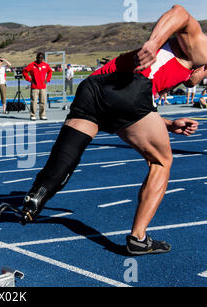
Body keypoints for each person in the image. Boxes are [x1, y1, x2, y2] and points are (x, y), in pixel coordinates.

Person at [16, 5, 205, 255]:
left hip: (94, 88)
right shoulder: (199, 52)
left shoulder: (169, 72)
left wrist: (169, 125)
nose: (201, 79)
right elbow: (180, 12)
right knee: (161, 161)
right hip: (128, 93)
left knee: (65, 158)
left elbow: (137, 113)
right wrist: (152, 42)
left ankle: (34, 199)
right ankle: (138, 238)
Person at [23, 52, 53, 121]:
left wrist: (47, 79)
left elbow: (50, 72)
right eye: (39, 58)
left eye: (41, 58)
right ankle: (32, 115)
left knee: (43, 101)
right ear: (36, 58)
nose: (40, 59)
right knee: (34, 101)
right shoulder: (32, 65)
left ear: (43, 59)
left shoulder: (45, 65)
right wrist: (29, 79)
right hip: (34, 87)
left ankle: (42, 115)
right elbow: (24, 71)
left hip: (43, 87)